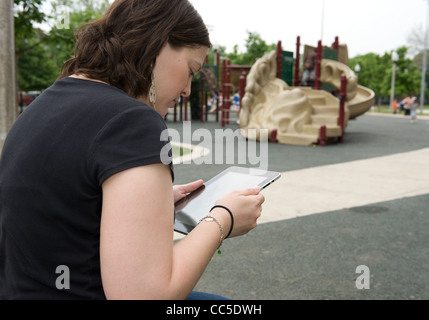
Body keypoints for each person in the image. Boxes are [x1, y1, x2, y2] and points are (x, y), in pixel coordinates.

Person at [0, 0, 264, 300]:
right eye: (191, 70)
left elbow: (65, 207)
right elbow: (142, 296)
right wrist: (223, 217)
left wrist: (148, 203)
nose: (188, 89)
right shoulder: (133, 121)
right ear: (160, 45)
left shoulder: (47, 102)